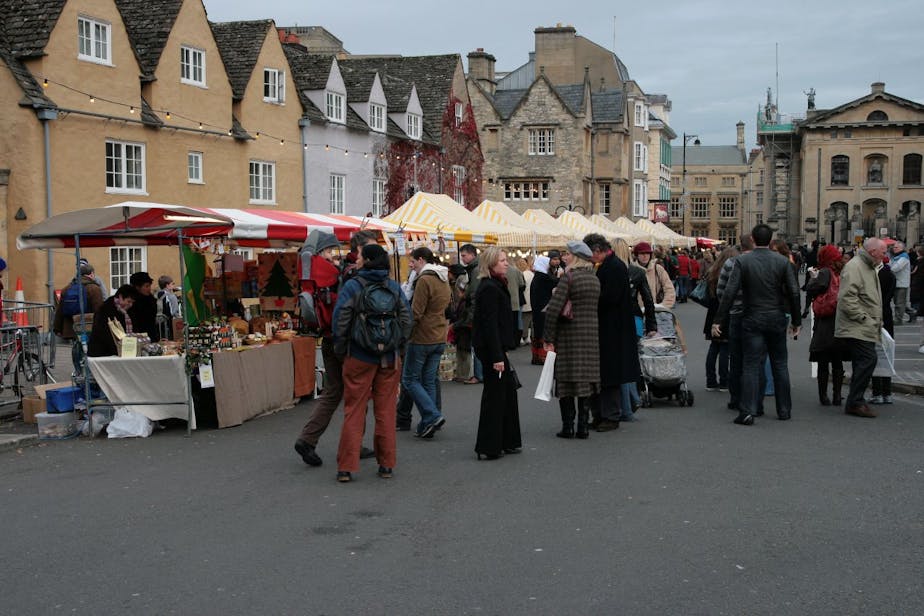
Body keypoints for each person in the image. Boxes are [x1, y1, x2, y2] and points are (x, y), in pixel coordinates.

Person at [294, 230, 376, 468]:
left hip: (329, 338)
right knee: (358, 393)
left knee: (333, 392)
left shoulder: (329, 273)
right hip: (348, 342)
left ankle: (307, 439)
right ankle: (354, 446)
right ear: (359, 249)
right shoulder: (351, 274)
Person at [332, 244, 412, 482]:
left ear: (366, 261)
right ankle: (386, 464)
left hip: (358, 355)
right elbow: (407, 320)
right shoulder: (394, 287)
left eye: (359, 257)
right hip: (388, 357)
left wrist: (342, 349)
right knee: (386, 410)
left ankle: (346, 466)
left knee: (354, 410)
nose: (356, 260)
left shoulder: (353, 286)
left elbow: (340, 321)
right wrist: (398, 347)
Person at [713, 224, 801, 426]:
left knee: (751, 364)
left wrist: (719, 319)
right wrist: (796, 320)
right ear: (770, 240)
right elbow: (794, 292)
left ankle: (748, 410)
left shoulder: (743, 261)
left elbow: (729, 292)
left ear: (752, 238)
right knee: (780, 364)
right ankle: (784, 409)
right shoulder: (783, 262)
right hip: (776, 316)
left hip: (752, 316)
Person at [543, 241, 601, 439]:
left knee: (566, 382)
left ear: (576, 258)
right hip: (590, 337)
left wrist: (548, 337)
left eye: (568, 254)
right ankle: (583, 426)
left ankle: (568, 426)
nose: (564, 257)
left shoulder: (569, 278)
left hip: (568, 337)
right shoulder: (594, 280)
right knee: (585, 381)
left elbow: (553, 310)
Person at [583, 233, 638, 432]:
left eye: (591, 254)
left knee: (610, 375)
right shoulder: (608, 265)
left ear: (598, 251)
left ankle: (611, 415)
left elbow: (609, 298)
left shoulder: (614, 267)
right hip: (608, 327)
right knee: (602, 374)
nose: (590, 258)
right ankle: (600, 414)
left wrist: (589, 298)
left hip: (613, 329)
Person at [472, 247, 522, 460]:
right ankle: (490, 444)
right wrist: (497, 357)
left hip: (497, 347)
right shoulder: (490, 288)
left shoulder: (495, 284)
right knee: (496, 396)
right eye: (502, 260)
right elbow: (490, 325)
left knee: (506, 393)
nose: (506, 263)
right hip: (493, 349)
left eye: (505, 260)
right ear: (491, 264)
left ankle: (506, 440)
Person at [400, 247, 450, 438]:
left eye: (412, 262)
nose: (411, 266)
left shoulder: (424, 280)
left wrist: (404, 334)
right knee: (428, 380)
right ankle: (429, 423)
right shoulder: (443, 277)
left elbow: (416, 313)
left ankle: (431, 415)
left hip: (422, 337)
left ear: (421, 260)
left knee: (410, 379)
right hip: (438, 334)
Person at [835, 238, 886, 418]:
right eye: (883, 252)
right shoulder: (855, 266)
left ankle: (855, 400)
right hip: (858, 325)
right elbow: (847, 299)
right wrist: (864, 318)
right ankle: (855, 402)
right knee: (867, 360)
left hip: (864, 324)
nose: (885, 256)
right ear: (873, 252)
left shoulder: (868, 265)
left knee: (863, 362)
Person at [804, 245, 847, 406]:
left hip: (826, 319)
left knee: (823, 360)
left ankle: (824, 396)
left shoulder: (825, 272)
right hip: (840, 317)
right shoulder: (842, 270)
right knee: (837, 360)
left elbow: (812, 288)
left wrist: (813, 277)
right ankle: (837, 395)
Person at [717, 234, 755, 412]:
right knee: (755, 360)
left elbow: (721, 291)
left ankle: (735, 399)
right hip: (757, 315)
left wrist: (725, 312)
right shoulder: (765, 262)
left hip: (736, 314)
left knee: (736, 359)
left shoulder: (731, 263)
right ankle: (754, 400)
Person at [703, 247, 739, 392]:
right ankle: (724, 381)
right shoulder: (730, 272)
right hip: (726, 312)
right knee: (725, 349)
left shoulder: (712, 272)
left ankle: (710, 381)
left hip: (712, 313)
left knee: (714, 348)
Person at [453, 244, 482, 384]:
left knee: (475, 345)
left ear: (472, 254)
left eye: (464, 255)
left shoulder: (475, 270)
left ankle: (478, 374)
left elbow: (475, 294)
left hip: (474, 312)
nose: (462, 258)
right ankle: (478, 373)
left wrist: (471, 315)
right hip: (474, 311)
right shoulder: (475, 269)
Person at [87, 285, 140, 357]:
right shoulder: (105, 309)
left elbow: (134, 328)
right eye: (129, 301)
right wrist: (118, 349)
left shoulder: (129, 310)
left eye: (132, 302)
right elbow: (103, 333)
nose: (130, 305)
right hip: (102, 352)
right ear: (120, 297)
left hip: (122, 351)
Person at [870, 253, 895, 405]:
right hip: (882, 315)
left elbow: (883, 299)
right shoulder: (887, 273)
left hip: (881, 316)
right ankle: (883, 392)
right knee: (883, 354)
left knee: (881, 353)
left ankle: (881, 392)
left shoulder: (883, 274)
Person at [529, 255, 557, 365]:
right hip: (543, 310)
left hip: (536, 309)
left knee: (537, 333)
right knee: (543, 334)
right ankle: (542, 357)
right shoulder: (543, 277)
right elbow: (556, 282)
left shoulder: (537, 277)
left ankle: (536, 356)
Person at [633, 242, 675, 308]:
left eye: (647, 253)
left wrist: (663, 306)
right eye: (642, 253)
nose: (645, 256)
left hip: (655, 311)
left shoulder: (658, 269)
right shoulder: (632, 270)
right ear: (637, 255)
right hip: (636, 312)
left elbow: (669, 289)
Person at [126, 272, 160, 342]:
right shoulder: (131, 302)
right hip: (137, 337)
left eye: (150, 286)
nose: (149, 289)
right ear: (137, 287)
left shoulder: (150, 299)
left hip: (151, 335)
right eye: (146, 286)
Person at [889, 241, 910, 325]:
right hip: (896, 283)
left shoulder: (904, 257)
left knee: (899, 303)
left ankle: (898, 319)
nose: (894, 248)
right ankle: (911, 313)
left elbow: (895, 268)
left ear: (901, 248)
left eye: (896, 247)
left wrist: (889, 267)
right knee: (897, 302)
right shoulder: (896, 257)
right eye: (894, 247)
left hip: (902, 283)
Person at [155, 275, 181, 340]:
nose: (173, 286)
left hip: (158, 325)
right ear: (167, 285)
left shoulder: (156, 294)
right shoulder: (171, 296)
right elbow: (174, 313)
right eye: (172, 284)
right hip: (169, 325)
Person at [520, 258, 534, 345]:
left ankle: (522, 337)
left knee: (522, 320)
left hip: (523, 300)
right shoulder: (532, 274)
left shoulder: (522, 274)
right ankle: (529, 337)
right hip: (531, 300)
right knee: (530, 322)